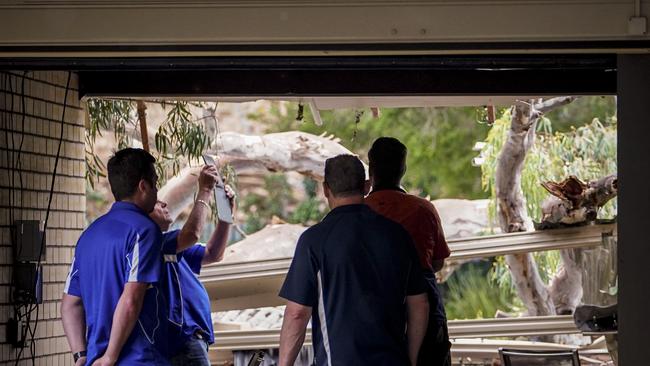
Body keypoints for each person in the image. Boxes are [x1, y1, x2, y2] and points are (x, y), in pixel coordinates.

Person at [278, 154, 429, 366]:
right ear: (367, 187)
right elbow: (420, 303)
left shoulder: (314, 241)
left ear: (326, 189)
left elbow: (297, 314)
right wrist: (411, 360)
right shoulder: (397, 235)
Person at [62, 148, 169, 365]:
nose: (157, 191)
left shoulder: (88, 236)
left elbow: (70, 304)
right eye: (155, 183)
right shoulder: (145, 230)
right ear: (143, 186)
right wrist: (111, 356)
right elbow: (131, 299)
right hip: (137, 358)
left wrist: (80, 356)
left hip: (95, 360)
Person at [364, 137, 452, 366]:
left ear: (371, 168)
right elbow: (438, 262)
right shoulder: (423, 209)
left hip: (372, 305)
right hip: (424, 303)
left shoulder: (359, 213)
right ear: (403, 168)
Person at [148, 164, 234, 366]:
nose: (164, 203)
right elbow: (192, 234)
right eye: (157, 204)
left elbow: (214, 253)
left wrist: (226, 215)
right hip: (181, 341)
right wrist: (204, 190)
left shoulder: (171, 244)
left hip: (193, 338)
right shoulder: (153, 244)